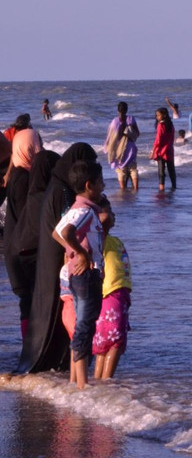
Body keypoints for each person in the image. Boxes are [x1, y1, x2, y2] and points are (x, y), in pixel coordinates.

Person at [17, 143, 99, 375]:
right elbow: (65, 229)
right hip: (60, 260)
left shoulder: (54, 187)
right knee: (62, 312)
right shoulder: (62, 192)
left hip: (50, 258)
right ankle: (63, 363)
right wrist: (79, 253)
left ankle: (62, 363)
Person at [51, 160, 106, 389]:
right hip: (86, 275)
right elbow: (65, 232)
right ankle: (83, 384)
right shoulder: (85, 211)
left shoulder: (76, 208)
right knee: (85, 326)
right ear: (89, 185)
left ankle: (76, 379)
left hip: (77, 276)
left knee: (82, 325)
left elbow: (56, 233)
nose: (103, 186)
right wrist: (81, 254)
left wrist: (72, 252)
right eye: (100, 182)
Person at [4, 148, 56, 340]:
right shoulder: (39, 196)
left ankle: (30, 344)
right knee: (32, 303)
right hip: (28, 257)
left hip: (15, 254)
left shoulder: (24, 185)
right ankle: (33, 344)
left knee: (26, 304)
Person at [92, 198, 132, 380]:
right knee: (114, 340)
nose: (112, 215)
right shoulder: (99, 238)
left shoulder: (114, 240)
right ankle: (106, 381)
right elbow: (104, 219)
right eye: (109, 211)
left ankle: (99, 381)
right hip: (109, 294)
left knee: (107, 342)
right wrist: (98, 209)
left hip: (120, 295)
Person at [104, 101, 140, 190]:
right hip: (131, 147)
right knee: (133, 168)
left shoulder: (115, 121)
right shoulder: (131, 119)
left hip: (119, 148)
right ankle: (136, 188)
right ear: (127, 109)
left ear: (118, 110)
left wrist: (107, 146)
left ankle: (123, 189)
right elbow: (137, 133)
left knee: (121, 169)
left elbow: (110, 136)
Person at [150, 107, 177, 190]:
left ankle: (161, 188)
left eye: (158, 115)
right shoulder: (170, 125)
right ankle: (174, 187)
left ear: (164, 115)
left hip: (161, 151)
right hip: (169, 150)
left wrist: (152, 152)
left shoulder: (160, 125)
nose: (157, 117)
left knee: (161, 171)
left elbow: (158, 140)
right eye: (156, 116)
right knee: (171, 170)